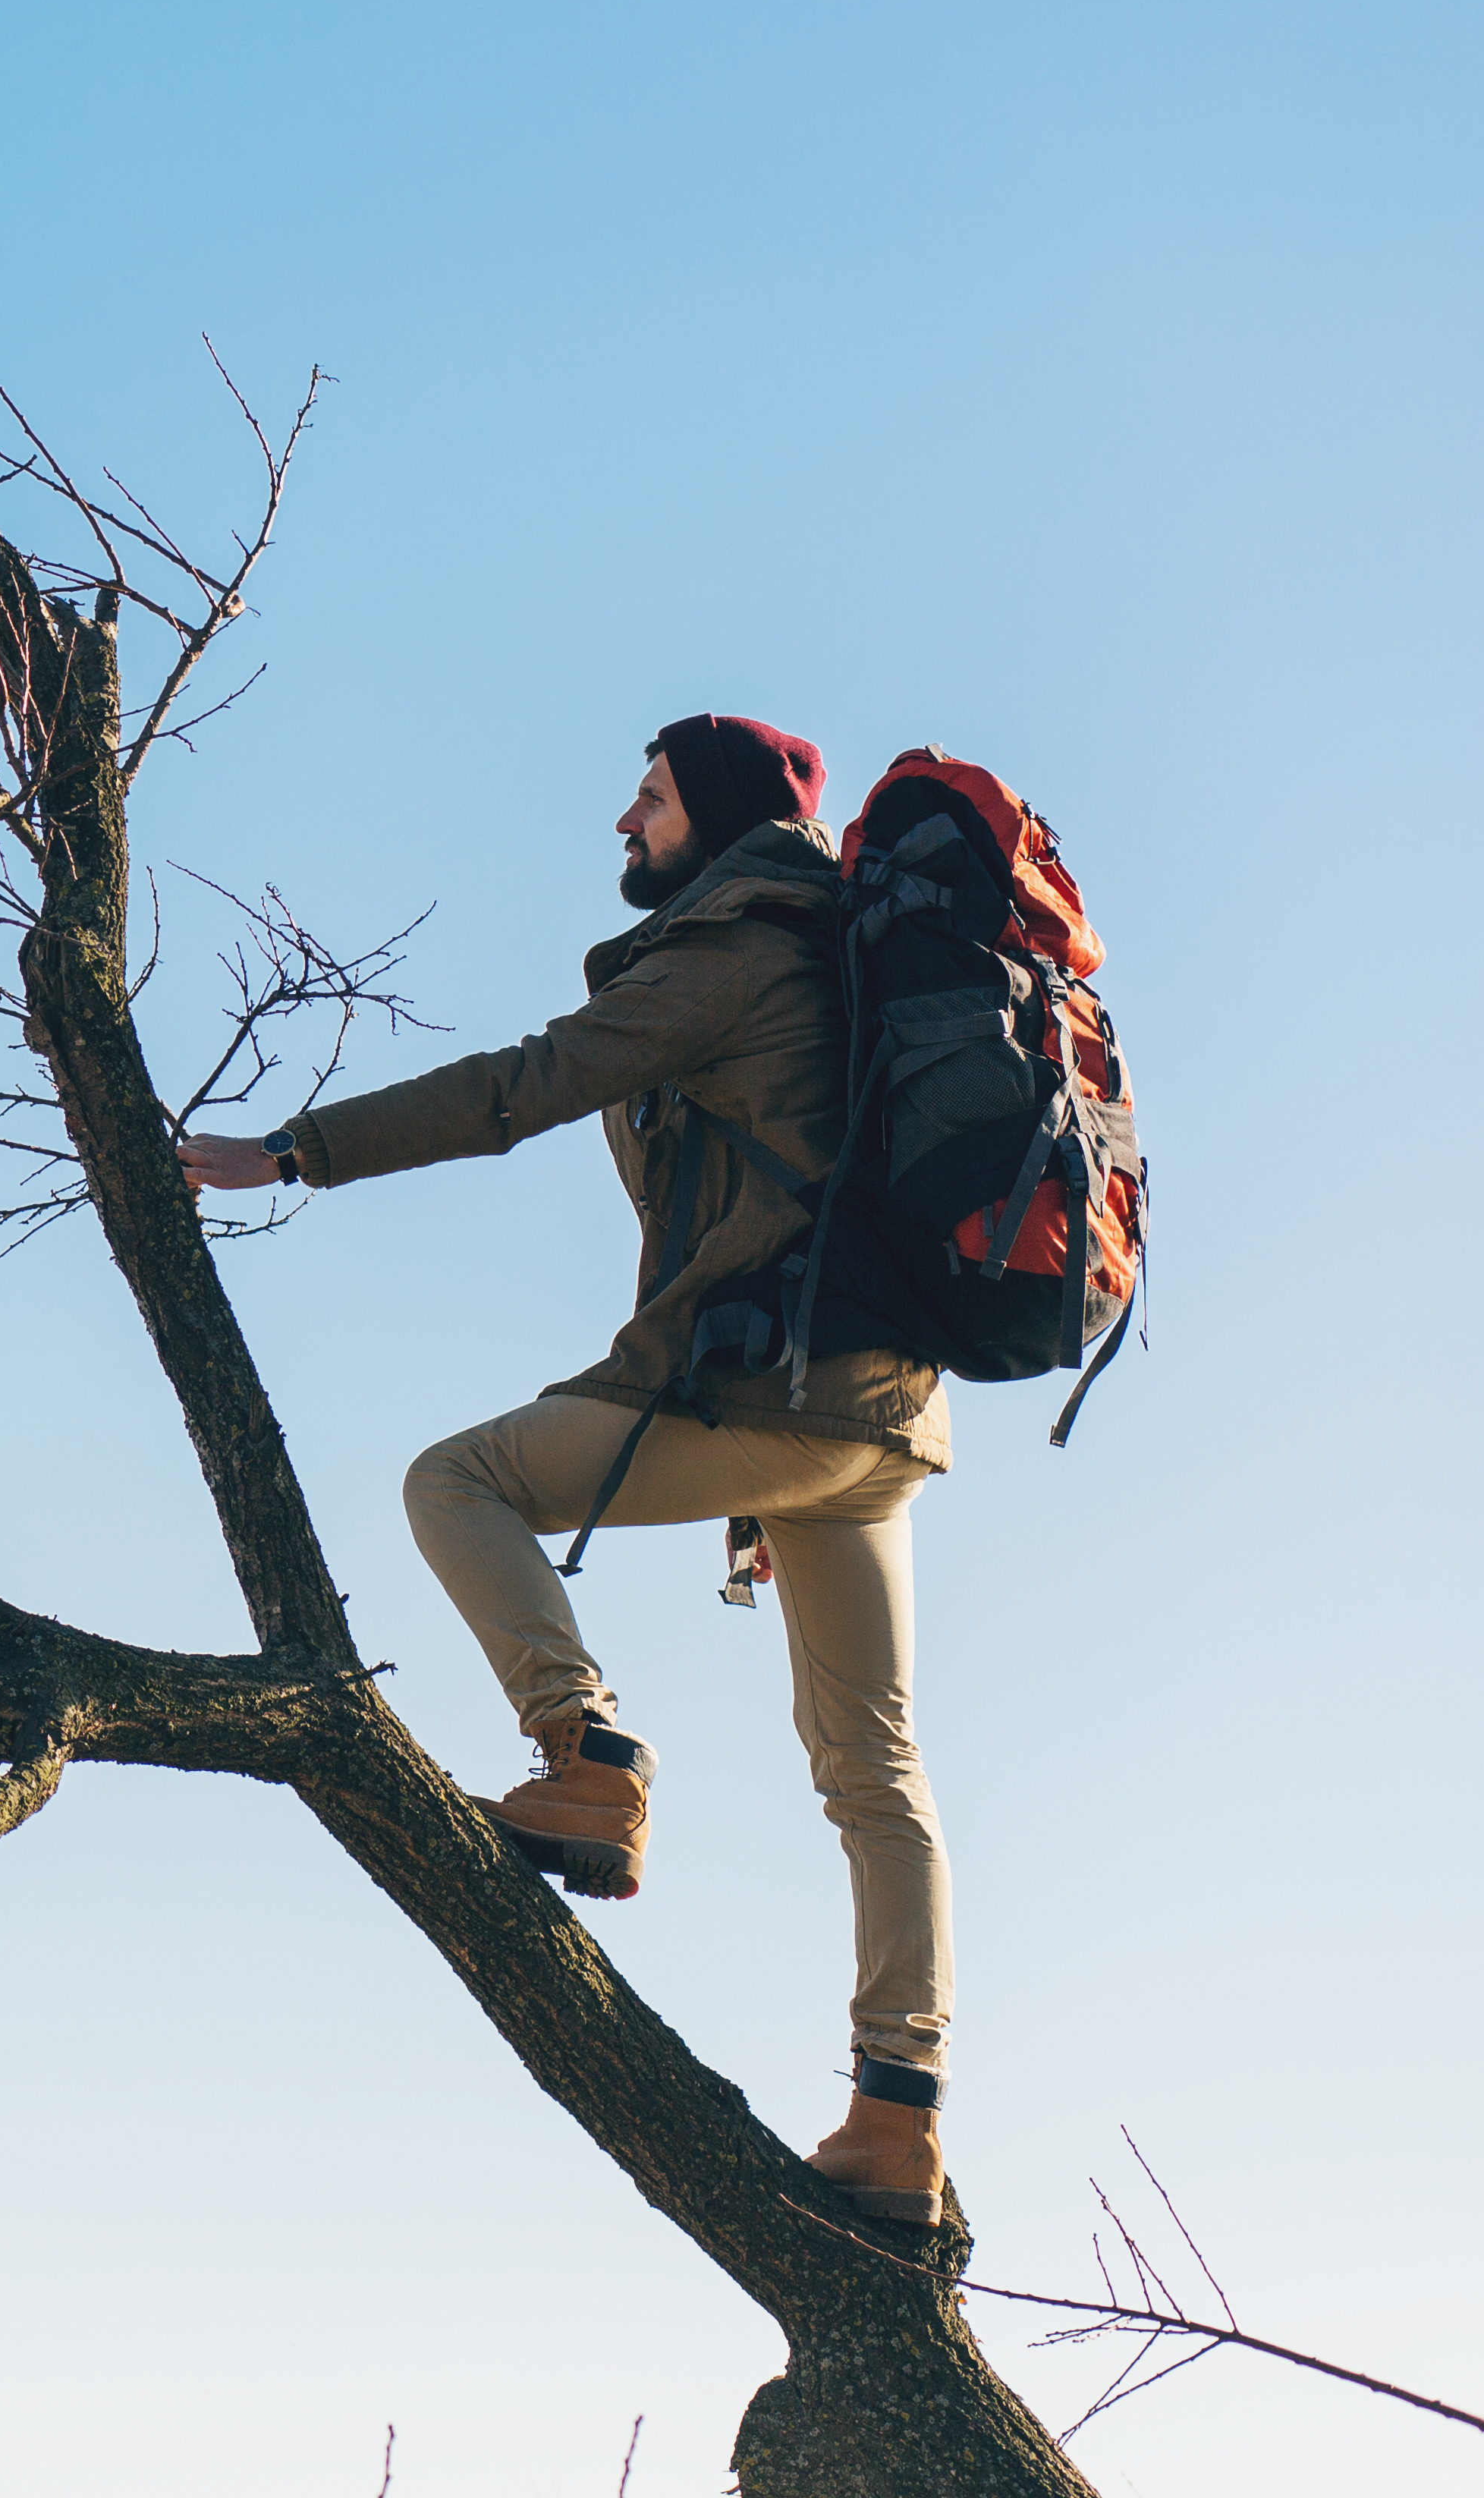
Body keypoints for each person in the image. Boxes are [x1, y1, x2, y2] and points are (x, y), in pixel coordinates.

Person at [176, 716, 954, 2226]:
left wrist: (289, 1154)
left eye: (649, 797)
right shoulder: (835, 957)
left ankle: (584, 1762)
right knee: (878, 1778)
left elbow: (518, 1090)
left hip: (784, 1406)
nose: (622, 820)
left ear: (713, 815)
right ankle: (898, 2124)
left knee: (455, 1480)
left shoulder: (732, 951)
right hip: (874, 1423)